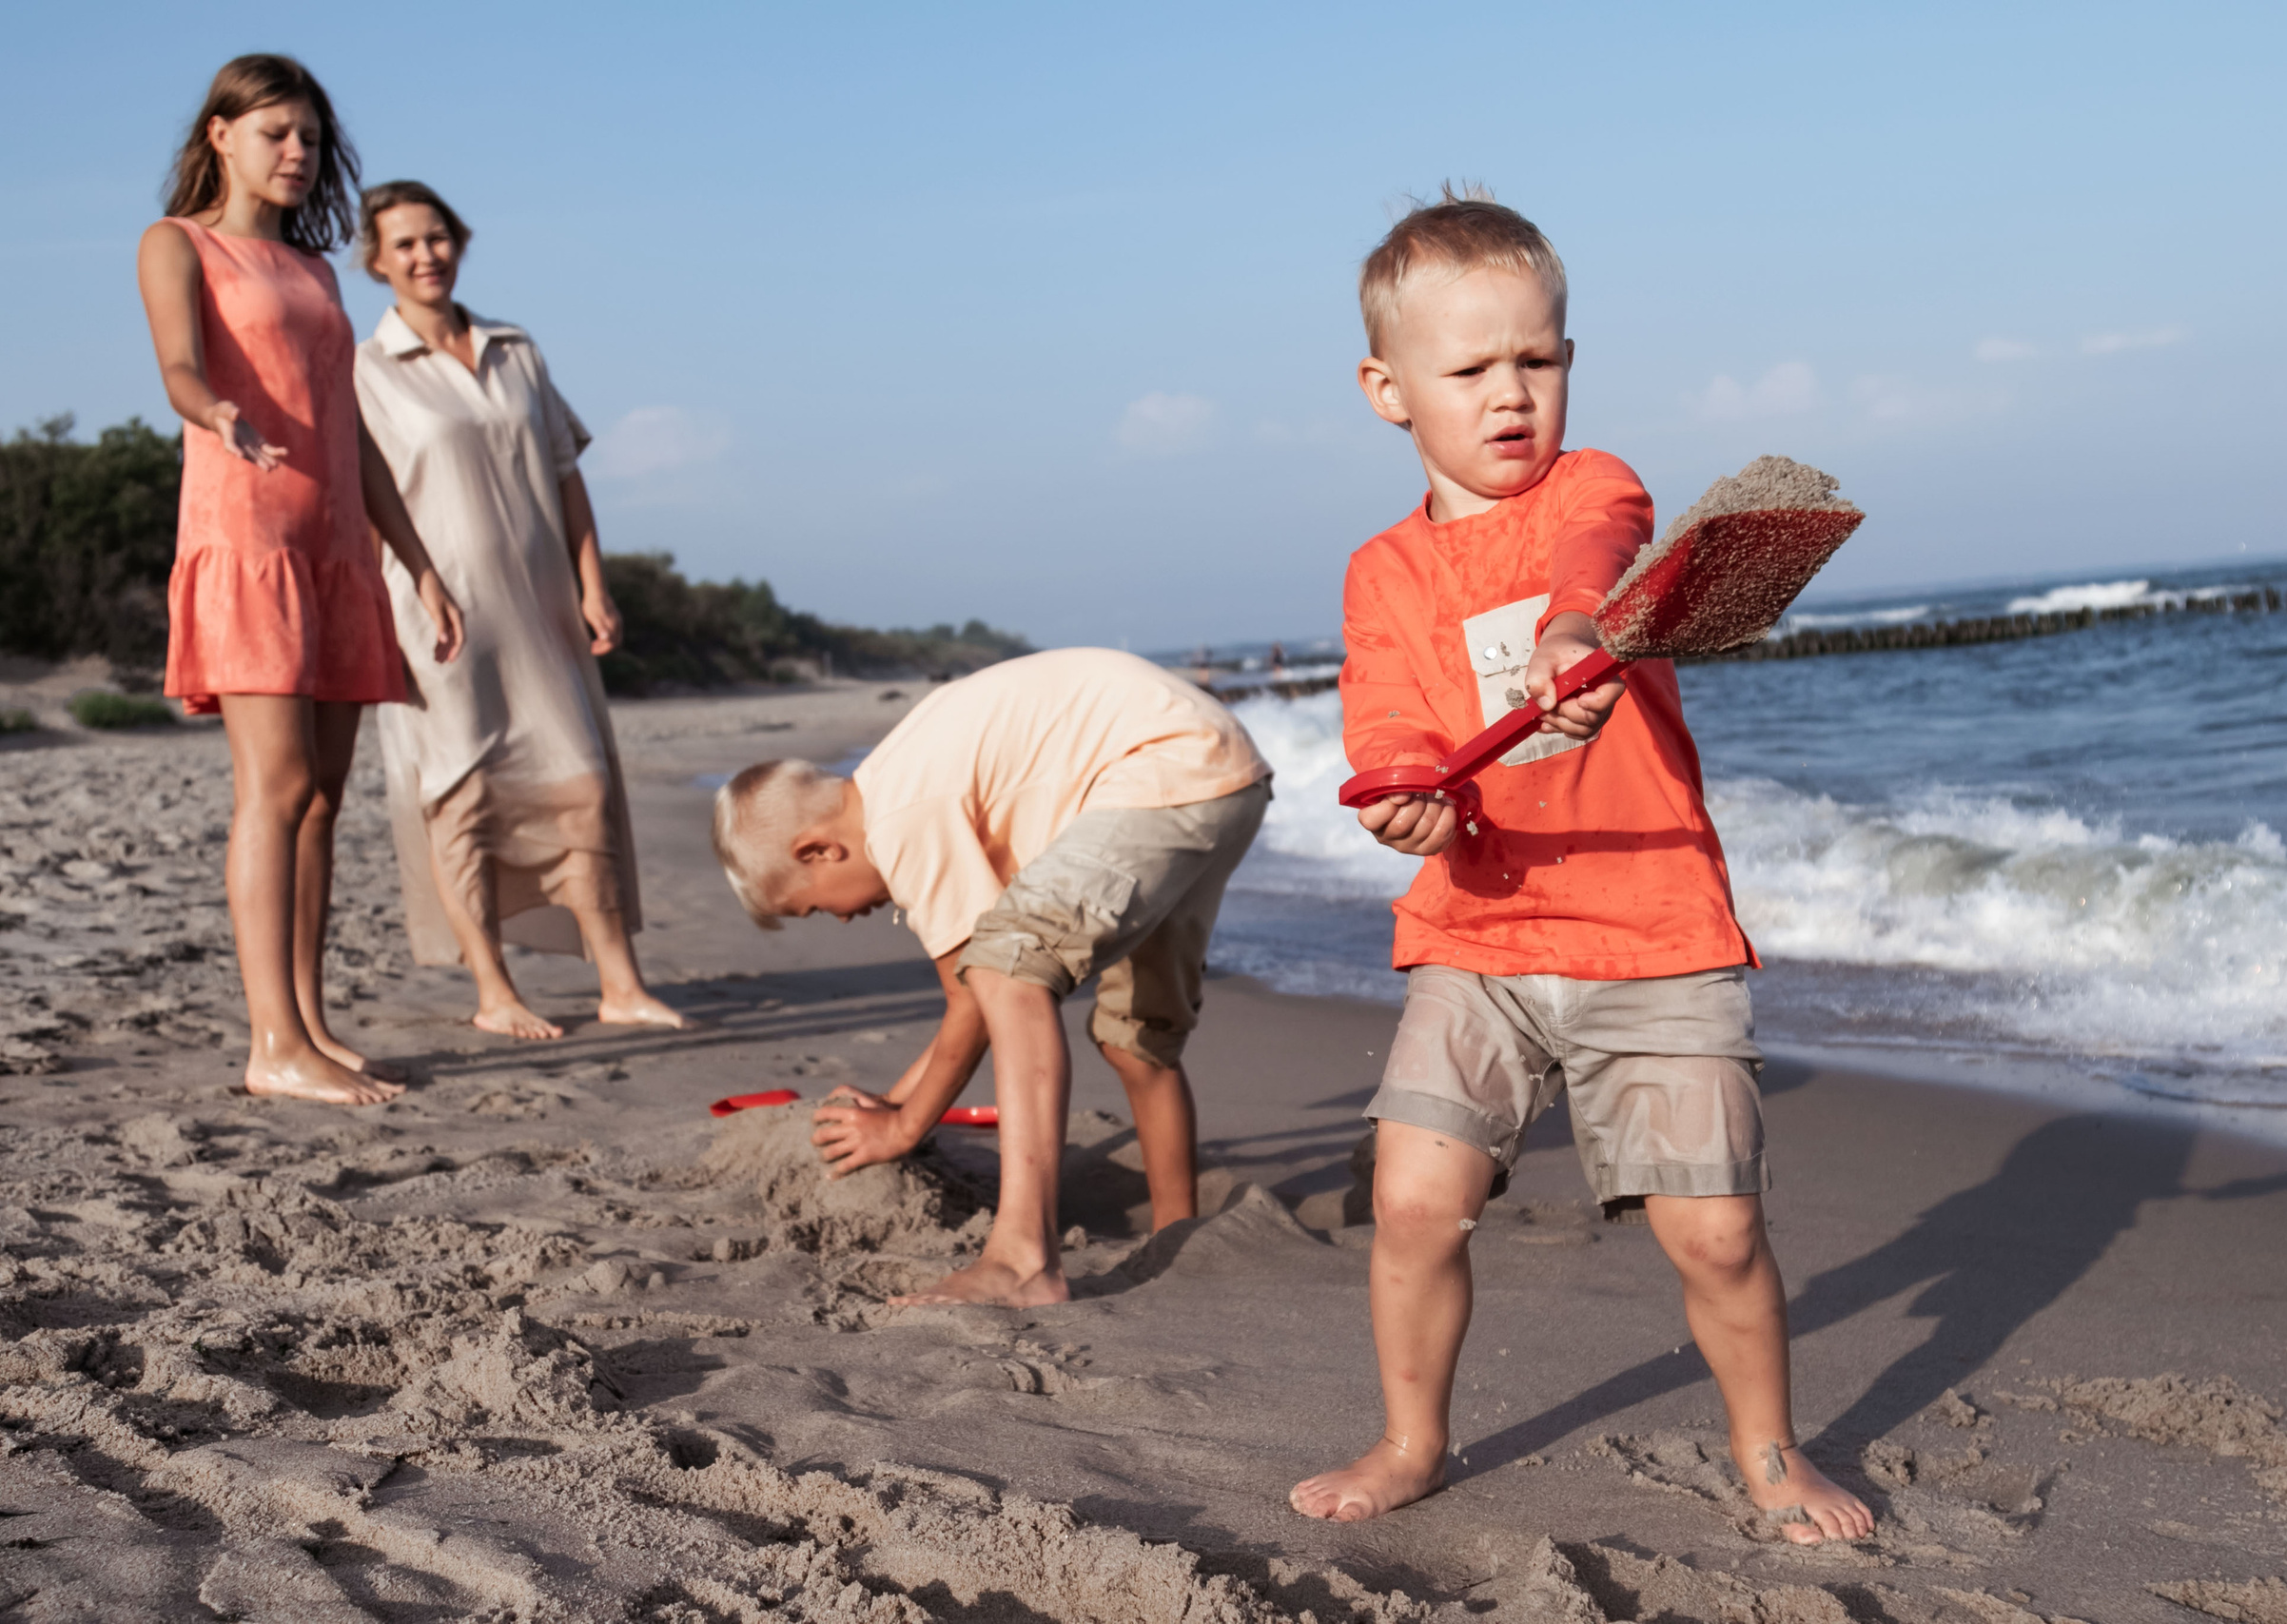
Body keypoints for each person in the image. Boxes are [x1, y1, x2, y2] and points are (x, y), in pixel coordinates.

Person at [1287, 188, 1874, 1544]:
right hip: (1477, 930)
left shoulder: (1595, 484)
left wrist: (1571, 631)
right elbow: (1383, 729)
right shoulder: (1380, 572)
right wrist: (1404, 806)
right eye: (1472, 367)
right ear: (1387, 389)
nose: (1512, 394)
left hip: (1653, 919)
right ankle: (1408, 1437)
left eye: (1538, 360)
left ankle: (1773, 1452)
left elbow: (1596, 554)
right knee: (1413, 1198)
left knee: (1715, 1233)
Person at [711, 648, 1270, 1306]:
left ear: (819, 850)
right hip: (1222, 772)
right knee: (1136, 1037)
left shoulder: (899, 818)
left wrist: (902, 1125)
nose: (839, 919)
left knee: (1010, 959)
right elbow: (977, 1004)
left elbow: (979, 988)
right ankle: (1183, 1234)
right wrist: (897, 1105)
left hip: (1154, 772)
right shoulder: (901, 777)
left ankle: (1023, 1258)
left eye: (813, 904)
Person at [136, 55, 465, 1106]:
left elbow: (351, 426)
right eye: (276, 131)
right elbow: (180, 368)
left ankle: (309, 1029)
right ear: (220, 135)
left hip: (334, 546)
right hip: (247, 537)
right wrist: (211, 411)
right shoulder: (177, 244)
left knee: (322, 801)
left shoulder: (320, 271)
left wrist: (416, 560)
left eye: (311, 138)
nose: (297, 153)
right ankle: (269, 1044)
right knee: (273, 791)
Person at [351, 181, 685, 1039]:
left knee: (582, 786)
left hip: (540, 609)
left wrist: (593, 584)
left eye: (438, 237)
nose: (426, 255)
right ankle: (493, 990)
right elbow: (365, 494)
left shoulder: (516, 348)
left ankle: (620, 982)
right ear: (376, 260)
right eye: (406, 244)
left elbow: (566, 474)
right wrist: (421, 584)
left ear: (459, 241)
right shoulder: (365, 369)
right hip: (441, 612)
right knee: (461, 796)